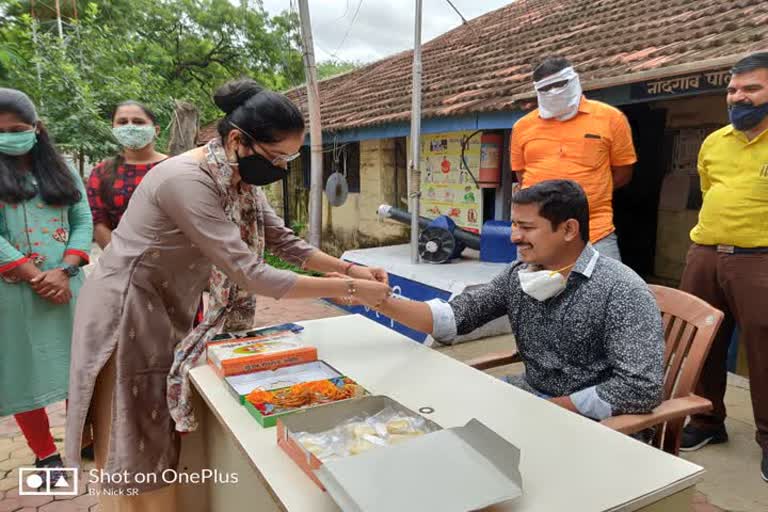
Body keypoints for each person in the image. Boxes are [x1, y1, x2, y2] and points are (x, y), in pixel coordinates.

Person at [64, 78, 390, 511]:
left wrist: (350, 267)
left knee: (152, 423)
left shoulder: (239, 180)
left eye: (289, 158)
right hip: (126, 308)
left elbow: (284, 242)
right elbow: (250, 272)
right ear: (238, 139)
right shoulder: (187, 179)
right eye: (277, 157)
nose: (281, 167)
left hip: (164, 302)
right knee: (133, 429)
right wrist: (351, 290)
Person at [366, 180, 664, 421]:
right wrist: (381, 300)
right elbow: (459, 315)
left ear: (569, 230)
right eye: (514, 225)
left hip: (590, 422)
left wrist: (546, 410)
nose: (514, 237)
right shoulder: (519, 274)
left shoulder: (621, 290)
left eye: (527, 227)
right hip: (530, 397)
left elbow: (640, 388)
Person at [677, 52, 768, 482]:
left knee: (764, 352)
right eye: (733, 90)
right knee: (700, 343)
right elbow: (711, 190)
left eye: (752, 88)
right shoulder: (714, 142)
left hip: (760, 260)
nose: (739, 97)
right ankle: (707, 422)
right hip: (705, 254)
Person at [0, 88, 93, 473]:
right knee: (23, 370)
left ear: (36, 128)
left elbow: (82, 220)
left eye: (17, 128)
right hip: (14, 291)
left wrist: (66, 270)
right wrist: (38, 276)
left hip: (68, 285)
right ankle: (45, 454)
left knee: (80, 366)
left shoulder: (61, 170)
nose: (8, 136)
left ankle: (82, 440)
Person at [510, 56, 637, 261]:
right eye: (545, 88)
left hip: (595, 231)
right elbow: (522, 176)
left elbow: (623, 172)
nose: (553, 91)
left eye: (560, 84)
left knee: (611, 289)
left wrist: (587, 193)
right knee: (530, 290)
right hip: (536, 234)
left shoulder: (611, 118)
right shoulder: (522, 127)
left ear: (575, 80)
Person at [86, 101, 167, 249]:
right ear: (113, 129)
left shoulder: (175, 168)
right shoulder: (101, 173)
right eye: (122, 122)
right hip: (121, 261)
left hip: (174, 261)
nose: (130, 127)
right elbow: (98, 222)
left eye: (138, 122)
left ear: (156, 130)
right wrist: (122, 259)